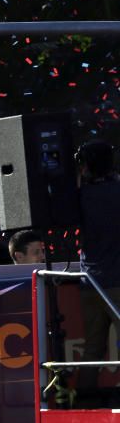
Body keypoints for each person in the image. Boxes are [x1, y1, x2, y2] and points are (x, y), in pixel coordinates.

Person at [74, 140, 120, 406]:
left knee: (93, 347)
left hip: (90, 281)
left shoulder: (81, 195)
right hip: (117, 280)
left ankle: (84, 403)